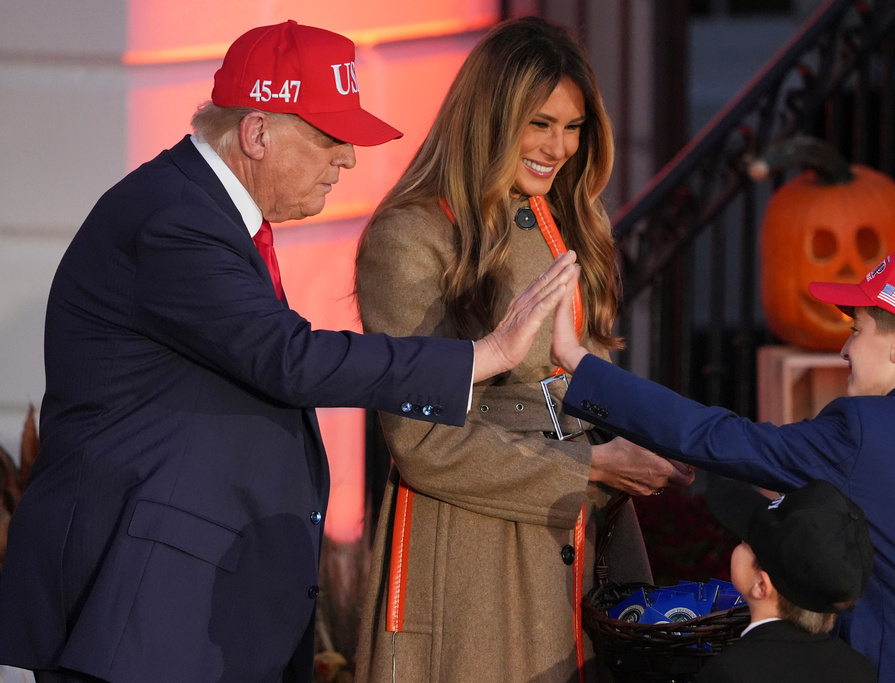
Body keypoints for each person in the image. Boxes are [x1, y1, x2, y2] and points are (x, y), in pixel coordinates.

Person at [0, 20, 580, 683]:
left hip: (180, 618)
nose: (348, 160)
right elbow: (289, 358)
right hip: (135, 622)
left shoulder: (203, 213)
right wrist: (481, 355)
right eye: (330, 138)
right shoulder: (174, 220)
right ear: (256, 132)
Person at [353, 16, 693, 683]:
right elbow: (424, 444)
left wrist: (652, 438)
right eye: (541, 123)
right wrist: (590, 464)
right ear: (490, 116)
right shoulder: (407, 237)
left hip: (579, 539)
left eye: (573, 127)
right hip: (474, 557)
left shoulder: (563, 220)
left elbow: (572, 376)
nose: (560, 146)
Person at [551, 243, 895, 683]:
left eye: (856, 330)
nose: (844, 349)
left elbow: (715, 437)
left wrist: (580, 363)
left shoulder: (862, 431)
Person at [694, 476, 877, 683]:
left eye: (747, 540)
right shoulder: (861, 669)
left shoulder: (728, 673)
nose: (739, 540)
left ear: (761, 586)